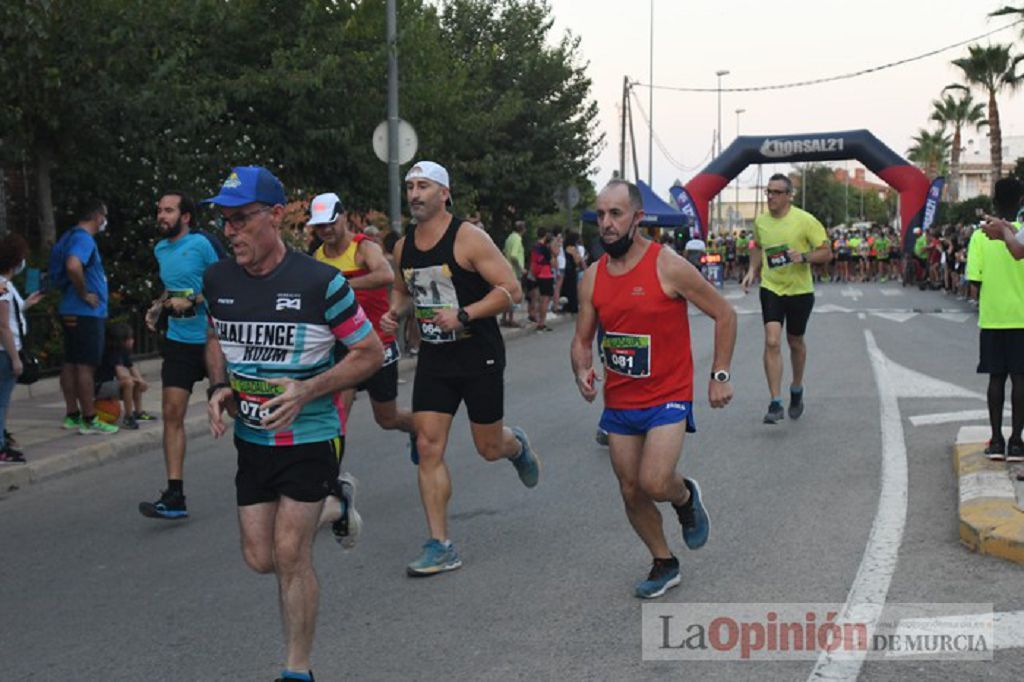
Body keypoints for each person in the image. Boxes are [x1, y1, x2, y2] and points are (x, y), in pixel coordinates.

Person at [203, 166, 384, 682]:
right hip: (252, 437)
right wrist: (218, 387)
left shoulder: (320, 282)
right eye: (225, 221)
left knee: (290, 552)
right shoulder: (218, 279)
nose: (230, 231)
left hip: (310, 433)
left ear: (277, 216)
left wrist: (308, 388)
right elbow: (216, 339)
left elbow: (368, 353)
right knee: (261, 558)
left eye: (240, 219)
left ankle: (297, 669)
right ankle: (337, 503)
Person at [571, 179, 736, 598]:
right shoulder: (591, 278)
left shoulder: (668, 265)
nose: (606, 224)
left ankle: (684, 498)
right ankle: (663, 560)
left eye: (616, 214)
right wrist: (583, 368)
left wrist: (719, 374)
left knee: (655, 480)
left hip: (668, 395)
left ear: (638, 218)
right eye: (601, 215)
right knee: (630, 489)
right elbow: (581, 339)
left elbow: (724, 313)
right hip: (621, 400)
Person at [380, 160, 540, 577]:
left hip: (477, 352)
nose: (414, 194)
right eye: (410, 186)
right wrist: (395, 314)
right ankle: (440, 543)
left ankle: (515, 445)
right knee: (429, 447)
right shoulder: (404, 247)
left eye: (423, 187)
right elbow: (402, 291)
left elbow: (511, 290)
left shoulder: (469, 238)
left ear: (444, 194)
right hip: (435, 357)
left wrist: (465, 315)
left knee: (488, 448)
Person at [308, 191, 414, 543]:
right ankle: (331, 489)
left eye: (329, 223)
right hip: (345, 348)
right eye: (319, 225)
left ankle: (416, 427)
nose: (325, 230)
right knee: (337, 414)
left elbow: (385, 275)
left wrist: (340, 286)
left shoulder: (363, 246)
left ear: (343, 219)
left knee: (388, 418)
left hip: (378, 346)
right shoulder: (318, 258)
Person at [138, 191, 221, 519]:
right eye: (159, 210)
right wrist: (159, 306)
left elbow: (226, 282)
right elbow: (174, 289)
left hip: (213, 338)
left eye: (168, 210)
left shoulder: (203, 244)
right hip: (178, 339)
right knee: (172, 413)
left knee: (236, 407)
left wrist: (196, 301)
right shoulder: (160, 249)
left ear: (185, 216)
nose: (162, 215)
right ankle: (175, 495)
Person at [741, 174, 831, 424]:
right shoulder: (761, 221)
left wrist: (803, 257)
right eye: (768, 192)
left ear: (788, 196)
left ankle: (797, 388)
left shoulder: (805, 221)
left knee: (795, 341)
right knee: (772, 341)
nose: (770, 197)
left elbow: (826, 252)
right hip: (772, 287)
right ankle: (775, 402)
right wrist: (752, 271)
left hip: (800, 290)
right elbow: (758, 247)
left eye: (776, 192)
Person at [49, 198, 118, 435]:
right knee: (85, 366)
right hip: (86, 312)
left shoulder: (68, 236)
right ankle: (90, 417)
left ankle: (72, 415)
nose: (104, 221)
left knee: (70, 363)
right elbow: (73, 265)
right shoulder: (83, 239)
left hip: (69, 309)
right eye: (104, 216)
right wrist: (85, 293)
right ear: (97, 216)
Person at [968, 178, 1024, 461]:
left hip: (992, 318)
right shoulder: (1021, 233)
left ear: (994, 201)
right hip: (1022, 318)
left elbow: (973, 281)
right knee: (1021, 380)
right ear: (1021, 201)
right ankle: (1017, 441)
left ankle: (996, 441)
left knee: (996, 379)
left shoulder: (981, 236)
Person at [0, 234, 44, 462]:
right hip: (5, 352)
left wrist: (25, 304)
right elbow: (4, 326)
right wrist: (15, 358)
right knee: (2, 401)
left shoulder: (6, 286)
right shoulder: (2, 287)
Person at [94, 322, 151, 429]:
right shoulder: (111, 353)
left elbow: (131, 367)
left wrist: (141, 380)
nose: (133, 340)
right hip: (99, 387)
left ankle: (138, 412)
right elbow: (122, 375)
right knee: (128, 383)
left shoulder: (123, 352)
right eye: (130, 338)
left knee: (135, 382)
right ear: (121, 341)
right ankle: (128, 417)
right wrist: (138, 381)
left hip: (110, 385)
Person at [529, 227, 556, 331]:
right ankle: (542, 322)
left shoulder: (535, 246)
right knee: (545, 299)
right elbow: (552, 262)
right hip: (546, 274)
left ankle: (534, 315)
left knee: (536, 297)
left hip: (536, 273)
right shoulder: (545, 248)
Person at [501, 221, 526, 327]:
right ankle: (511, 319)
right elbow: (514, 255)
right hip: (514, 272)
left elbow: (504, 252)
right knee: (514, 296)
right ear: (523, 229)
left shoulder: (510, 238)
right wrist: (521, 268)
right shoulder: (517, 239)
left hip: (507, 270)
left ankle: (504, 317)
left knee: (507, 295)